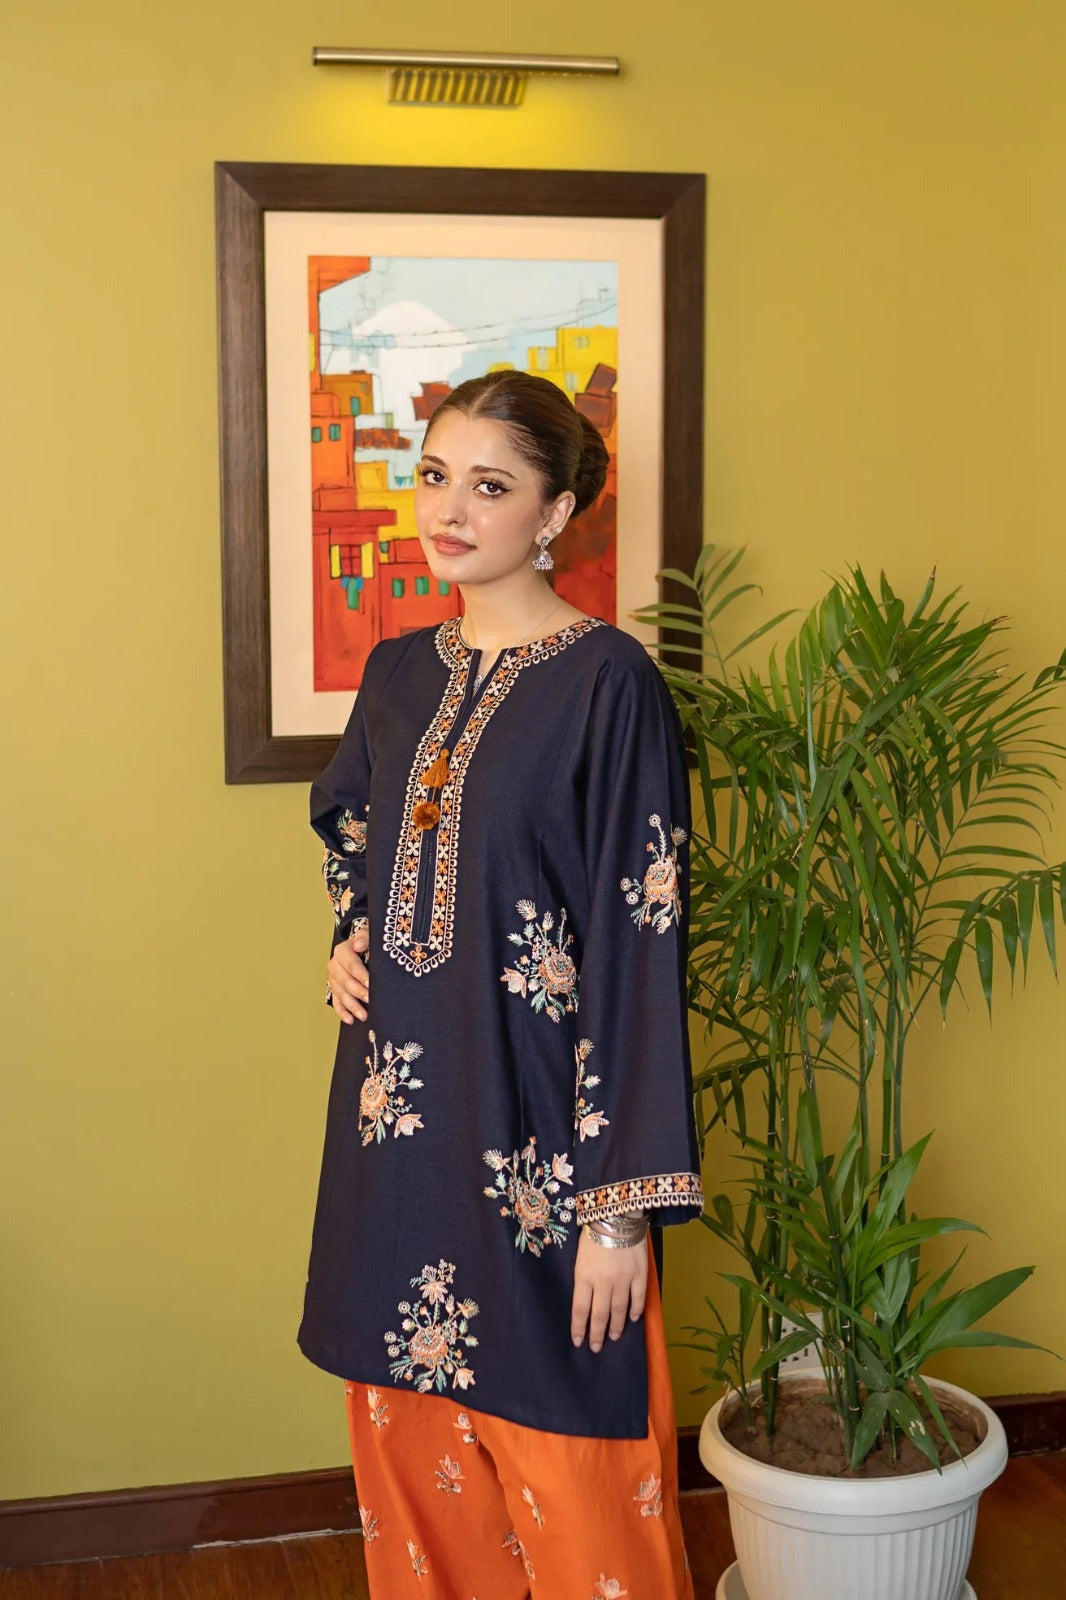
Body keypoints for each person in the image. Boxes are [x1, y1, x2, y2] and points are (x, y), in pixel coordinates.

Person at [299, 370, 703, 1599]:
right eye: (435, 477)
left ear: (554, 512)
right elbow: (358, 832)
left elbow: (640, 938)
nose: (449, 510)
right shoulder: (396, 674)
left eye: (489, 485)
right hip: (400, 1145)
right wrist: (350, 937)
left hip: (544, 1157)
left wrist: (617, 1211)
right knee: (420, 1494)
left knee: (583, 1500)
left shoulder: (607, 683)